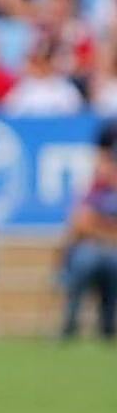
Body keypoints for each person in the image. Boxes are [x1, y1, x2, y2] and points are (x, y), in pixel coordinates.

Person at [59, 140, 117, 339]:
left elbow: (89, 223)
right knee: (84, 262)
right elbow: (80, 223)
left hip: (112, 251)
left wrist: (96, 225)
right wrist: (106, 228)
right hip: (90, 248)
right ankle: (69, 325)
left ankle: (107, 327)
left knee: (112, 264)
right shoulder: (90, 192)